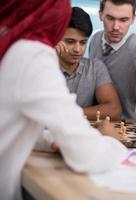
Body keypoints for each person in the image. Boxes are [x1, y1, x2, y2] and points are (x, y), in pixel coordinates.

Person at [0, 1, 127, 200]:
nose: (77, 49)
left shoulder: (10, 44)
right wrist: (111, 140)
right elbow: (87, 154)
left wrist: (50, 139)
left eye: (83, 42)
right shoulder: (32, 55)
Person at [89, 0, 136, 123]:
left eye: (123, 20)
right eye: (110, 18)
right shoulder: (95, 39)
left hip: (128, 127)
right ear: (100, 15)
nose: (115, 27)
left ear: (133, 19)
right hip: (99, 122)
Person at [55, 7, 121, 121]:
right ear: (56, 38)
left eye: (83, 42)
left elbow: (114, 110)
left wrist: (70, 114)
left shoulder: (95, 68)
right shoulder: (43, 66)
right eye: (70, 42)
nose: (78, 49)